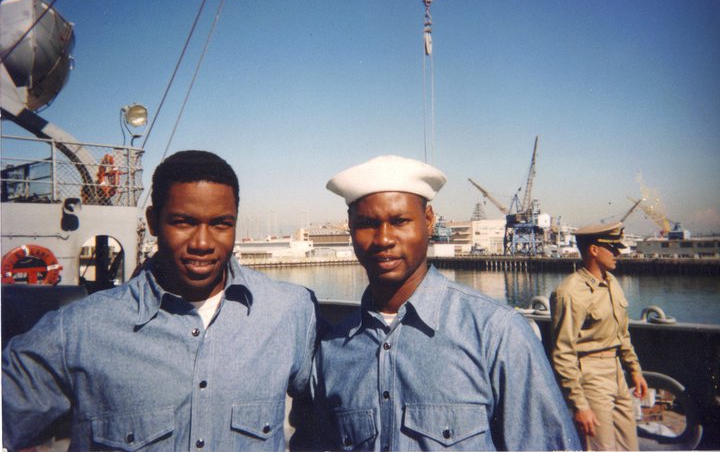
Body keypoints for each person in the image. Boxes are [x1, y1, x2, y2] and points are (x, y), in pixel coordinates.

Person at [2, 150, 318, 451]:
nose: (203, 243)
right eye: (183, 222)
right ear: (153, 221)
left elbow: (322, 420)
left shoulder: (289, 312)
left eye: (221, 224)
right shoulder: (75, 331)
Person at [308, 155, 580, 451]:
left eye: (399, 221)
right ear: (350, 227)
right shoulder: (333, 351)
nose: (384, 239)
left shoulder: (496, 334)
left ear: (428, 221)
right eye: (366, 224)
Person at [550, 222, 648, 451]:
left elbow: (622, 334)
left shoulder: (612, 283)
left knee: (628, 445)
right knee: (600, 446)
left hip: (617, 374)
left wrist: (634, 369)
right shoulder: (570, 293)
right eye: (613, 247)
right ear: (593, 250)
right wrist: (580, 404)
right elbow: (563, 353)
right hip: (590, 377)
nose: (618, 253)